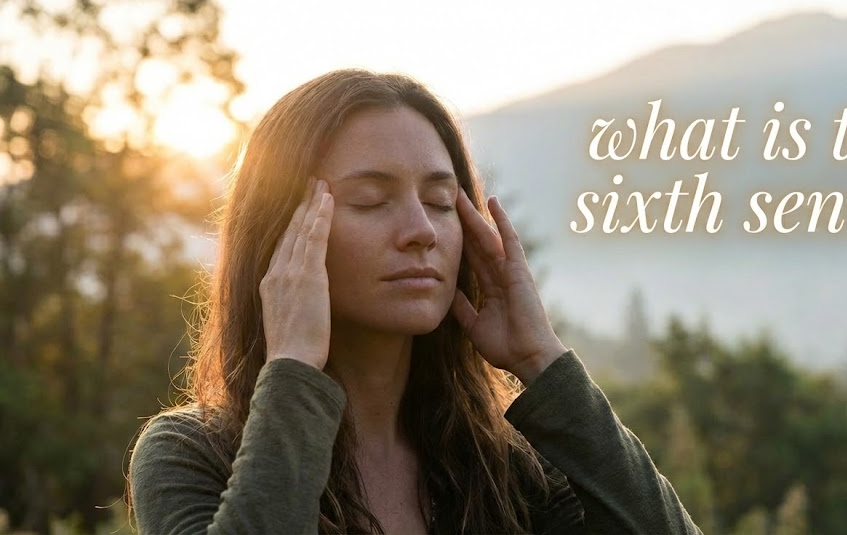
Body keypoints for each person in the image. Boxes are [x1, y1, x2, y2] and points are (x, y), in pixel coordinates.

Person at [126, 69, 703, 534]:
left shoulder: (511, 467)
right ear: (281, 236)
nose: (421, 230)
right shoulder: (192, 454)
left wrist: (542, 361)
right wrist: (294, 368)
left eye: (440, 201)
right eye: (371, 200)